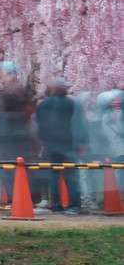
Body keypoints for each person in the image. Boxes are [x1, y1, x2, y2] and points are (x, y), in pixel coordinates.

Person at [35, 80, 82, 214]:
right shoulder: (71, 103)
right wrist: (80, 141)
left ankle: (56, 204)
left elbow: (39, 123)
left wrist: (43, 140)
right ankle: (73, 205)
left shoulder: (43, 104)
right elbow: (77, 123)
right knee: (71, 175)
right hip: (68, 143)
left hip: (50, 144)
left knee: (53, 175)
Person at [0, 68, 35, 211]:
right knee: (24, 169)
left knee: (7, 169)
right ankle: (27, 198)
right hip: (24, 139)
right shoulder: (25, 111)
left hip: (7, 141)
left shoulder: (2, 113)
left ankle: (13, 198)